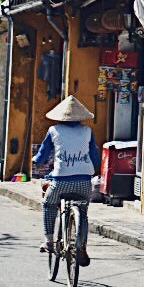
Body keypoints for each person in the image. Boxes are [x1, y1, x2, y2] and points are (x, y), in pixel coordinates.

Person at [32, 96, 101, 266]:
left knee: (48, 204)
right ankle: (81, 245)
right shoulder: (87, 131)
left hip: (60, 181)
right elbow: (95, 158)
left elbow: (42, 155)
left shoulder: (53, 131)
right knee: (83, 211)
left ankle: (49, 241)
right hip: (84, 182)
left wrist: (36, 161)